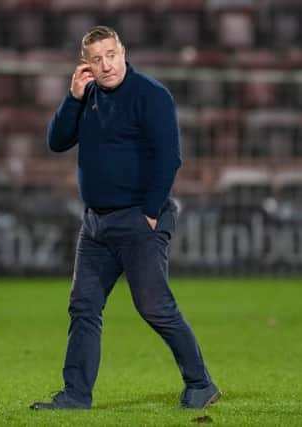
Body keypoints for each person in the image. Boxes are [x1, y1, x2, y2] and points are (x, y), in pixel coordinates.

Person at [30, 26, 220, 410]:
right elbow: (56, 141)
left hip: (138, 221)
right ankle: (76, 395)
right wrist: (72, 97)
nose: (106, 65)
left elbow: (170, 158)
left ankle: (201, 383)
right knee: (83, 307)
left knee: (154, 307)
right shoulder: (86, 97)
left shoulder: (151, 95)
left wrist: (150, 213)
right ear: (87, 65)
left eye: (111, 55)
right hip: (96, 226)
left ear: (123, 52)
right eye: (97, 59)